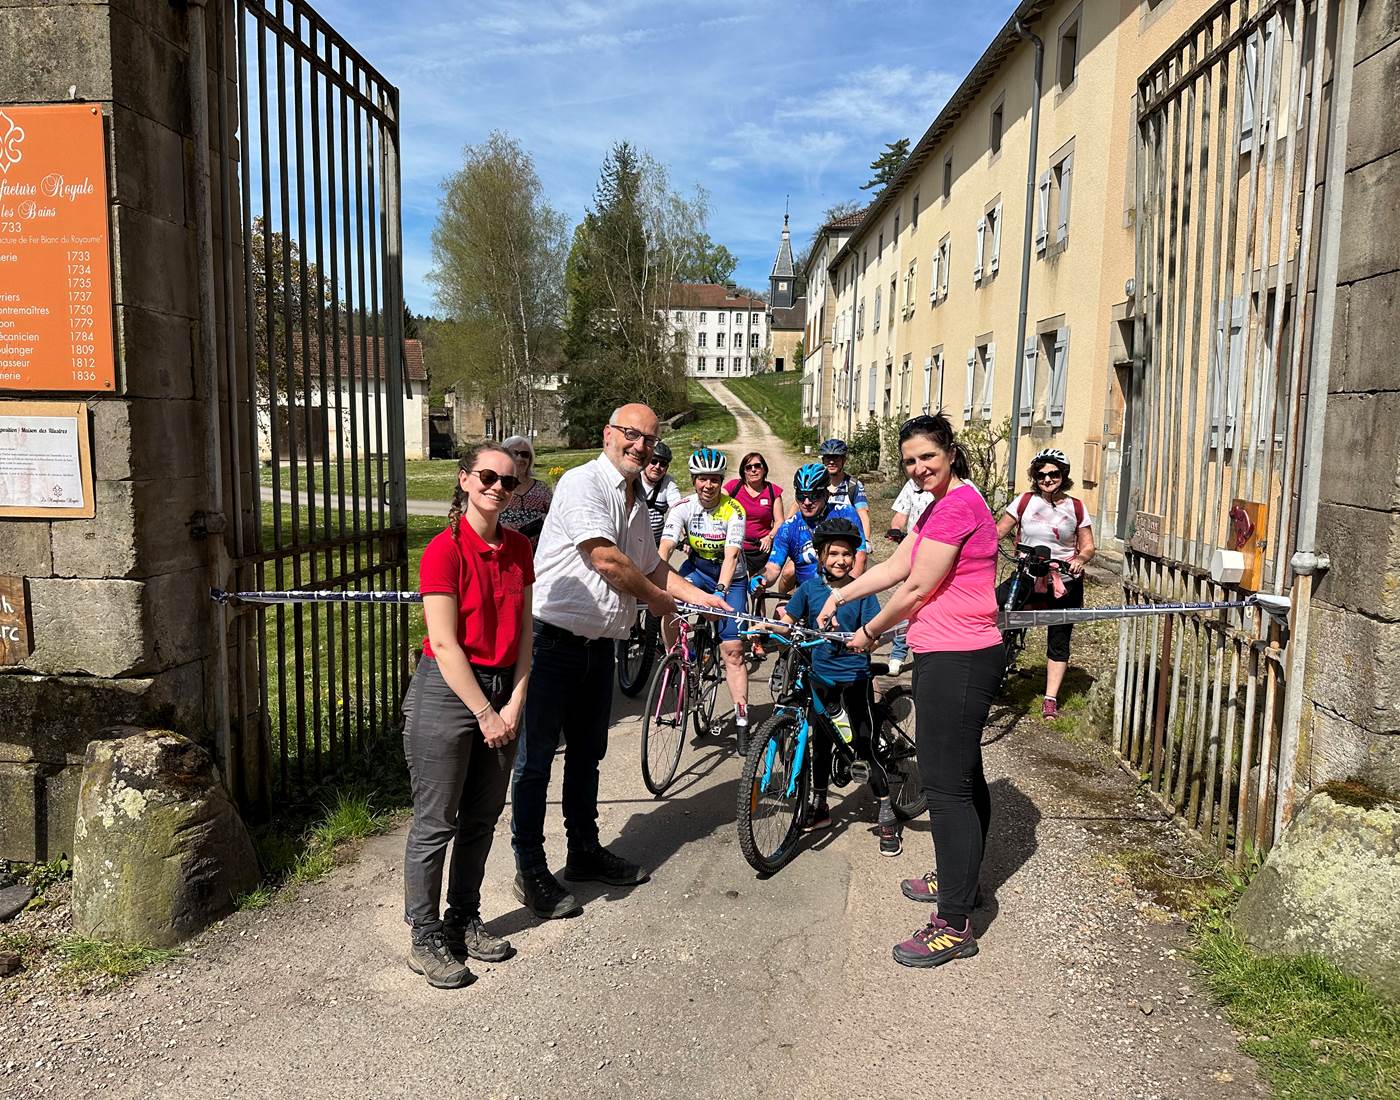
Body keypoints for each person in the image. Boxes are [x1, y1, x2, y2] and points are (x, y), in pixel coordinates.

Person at [509, 404, 730, 921]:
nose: (640, 445)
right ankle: (530, 866)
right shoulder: (585, 483)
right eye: (631, 434)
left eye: (649, 439)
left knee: (587, 756)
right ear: (608, 433)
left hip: (596, 647)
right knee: (535, 762)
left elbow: (652, 563)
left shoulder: (636, 497)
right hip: (551, 643)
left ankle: (583, 852)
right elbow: (607, 559)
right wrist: (659, 601)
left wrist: (704, 597)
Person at [816, 414, 1002, 970]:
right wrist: (842, 595)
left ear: (949, 451)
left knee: (946, 786)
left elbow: (918, 586)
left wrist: (868, 632)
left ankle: (953, 921)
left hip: (960, 653)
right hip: (949, 650)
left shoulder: (961, 504)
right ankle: (960, 882)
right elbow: (900, 564)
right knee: (964, 775)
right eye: (909, 462)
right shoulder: (939, 504)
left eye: (927, 457)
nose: (918, 469)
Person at [402, 442, 534, 989]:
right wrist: (485, 713)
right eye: (486, 476)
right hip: (448, 693)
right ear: (463, 480)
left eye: (507, 480)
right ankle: (425, 935)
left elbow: (527, 631)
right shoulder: (444, 551)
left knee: (481, 818)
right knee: (437, 823)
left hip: (504, 691)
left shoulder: (520, 548)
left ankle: (462, 917)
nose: (497, 487)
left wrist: (516, 701)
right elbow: (444, 642)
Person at [778, 517, 900, 855]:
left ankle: (887, 814)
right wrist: (780, 624)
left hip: (855, 679)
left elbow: (874, 629)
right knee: (820, 744)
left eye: (847, 554)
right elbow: (789, 619)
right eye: (833, 554)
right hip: (821, 678)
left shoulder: (861, 592)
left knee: (864, 746)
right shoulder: (809, 589)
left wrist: (866, 642)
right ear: (820, 556)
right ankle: (820, 807)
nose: (840, 560)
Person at [996, 447, 1096, 719]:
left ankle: (1050, 698)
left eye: (1053, 474)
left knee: (1059, 636)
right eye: (1041, 475)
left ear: (1063, 475)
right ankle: (990, 668)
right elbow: (998, 531)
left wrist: (1080, 559)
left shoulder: (1075, 507)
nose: (1047, 479)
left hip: (1064, 579)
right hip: (1027, 574)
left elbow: (1088, 546)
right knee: (992, 612)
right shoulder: (1025, 501)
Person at [661, 447, 751, 741]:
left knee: (733, 651)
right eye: (702, 479)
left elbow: (732, 556)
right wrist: (655, 582)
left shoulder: (734, 509)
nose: (708, 485)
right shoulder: (683, 507)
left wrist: (720, 594)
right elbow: (666, 548)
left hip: (730, 579)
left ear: (721, 480)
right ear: (693, 479)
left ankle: (741, 717)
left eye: (714, 479)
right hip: (698, 571)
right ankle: (676, 661)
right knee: (667, 608)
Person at [757, 463, 867, 595]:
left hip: (843, 592)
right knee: (780, 611)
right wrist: (761, 579)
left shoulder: (845, 513)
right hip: (807, 595)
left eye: (814, 496)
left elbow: (861, 557)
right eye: (801, 496)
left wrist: (846, 593)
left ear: (826, 494)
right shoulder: (789, 527)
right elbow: (773, 568)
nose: (807, 502)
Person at [884, 477, 935, 675]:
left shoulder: (963, 488)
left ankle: (929, 656)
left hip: (946, 556)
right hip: (916, 554)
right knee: (909, 602)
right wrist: (896, 529)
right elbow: (900, 515)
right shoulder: (914, 485)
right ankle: (898, 654)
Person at [724, 451, 785, 578]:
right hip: (735, 546)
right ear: (743, 471)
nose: (753, 470)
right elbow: (716, 498)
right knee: (730, 584)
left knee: (757, 587)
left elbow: (779, 521)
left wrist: (770, 537)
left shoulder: (773, 491)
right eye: (748, 467)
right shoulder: (733, 487)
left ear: (764, 469)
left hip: (760, 549)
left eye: (757, 466)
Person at [498, 435, 553, 548]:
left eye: (525, 455)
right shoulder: (496, 487)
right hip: (503, 548)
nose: (520, 458)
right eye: (514, 453)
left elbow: (555, 517)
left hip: (538, 552)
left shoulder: (541, 489)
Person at [818, 438, 871, 543]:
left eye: (836, 458)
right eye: (828, 458)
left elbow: (863, 515)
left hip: (846, 539)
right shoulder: (817, 482)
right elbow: (798, 504)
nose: (831, 462)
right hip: (820, 538)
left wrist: (866, 540)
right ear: (823, 460)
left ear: (844, 460)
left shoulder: (853, 485)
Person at [640, 440, 682, 548]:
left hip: (656, 545)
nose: (658, 466)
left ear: (667, 468)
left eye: (663, 464)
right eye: (653, 461)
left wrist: (686, 535)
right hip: (633, 544)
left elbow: (678, 508)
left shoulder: (667, 482)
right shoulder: (635, 479)